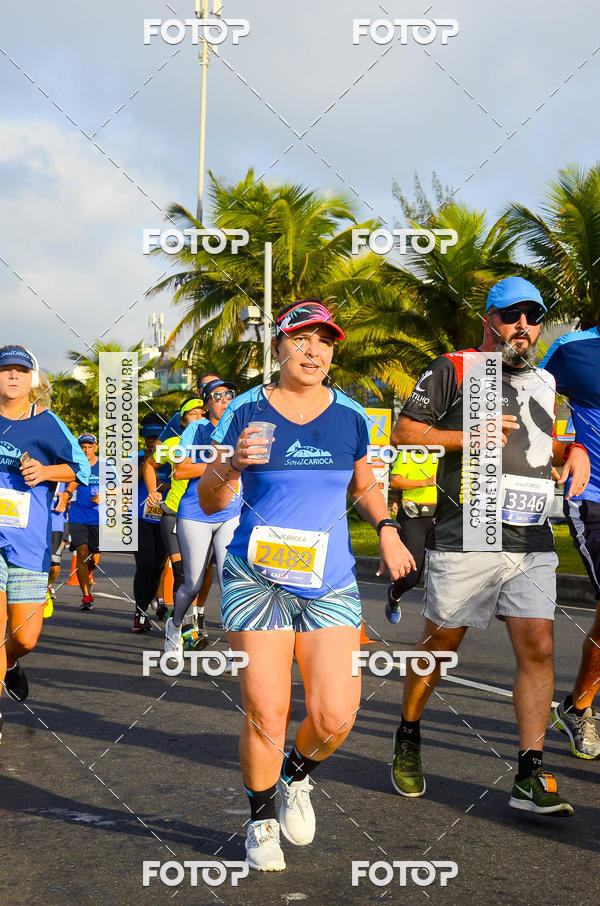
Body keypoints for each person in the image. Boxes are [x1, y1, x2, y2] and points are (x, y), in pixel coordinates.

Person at [197, 300, 415, 872]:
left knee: (337, 714)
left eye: (324, 341)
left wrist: (387, 530)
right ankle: (261, 819)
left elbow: (364, 484)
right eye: (301, 339)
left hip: (330, 577)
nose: (313, 350)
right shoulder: (243, 411)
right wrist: (231, 466)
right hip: (254, 575)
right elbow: (209, 499)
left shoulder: (349, 415)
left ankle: (296, 776)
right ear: (278, 347)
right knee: (268, 711)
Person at [389, 277, 590, 816]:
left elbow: (540, 445)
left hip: (530, 537)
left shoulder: (546, 380)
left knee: (540, 648)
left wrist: (572, 455)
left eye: (532, 316)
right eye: (511, 315)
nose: (522, 326)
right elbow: (404, 432)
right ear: (489, 319)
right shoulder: (454, 368)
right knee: (441, 647)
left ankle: (529, 773)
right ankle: (408, 731)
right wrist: (466, 437)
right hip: (466, 534)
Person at [0, 344, 90, 736]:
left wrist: (46, 469)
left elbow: (81, 469)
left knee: (26, 637)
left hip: (30, 540)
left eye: (21, 370)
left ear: (32, 379)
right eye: (6, 370)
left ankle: (12, 662)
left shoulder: (47, 421)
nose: (13, 376)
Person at [541, 323, 600, 758]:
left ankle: (578, 707)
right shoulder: (573, 349)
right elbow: (527, 404)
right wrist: (570, 446)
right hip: (594, 497)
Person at [164, 380, 241, 656]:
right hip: (196, 512)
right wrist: (222, 465)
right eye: (217, 396)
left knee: (229, 580)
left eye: (229, 395)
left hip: (231, 512)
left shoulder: (241, 426)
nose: (224, 399)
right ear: (206, 404)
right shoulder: (197, 429)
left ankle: (235, 648)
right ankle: (174, 626)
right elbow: (181, 471)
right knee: (192, 583)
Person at [143, 398, 206, 619]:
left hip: (204, 518)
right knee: (180, 571)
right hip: (174, 513)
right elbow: (149, 465)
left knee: (197, 574)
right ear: (182, 420)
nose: (198, 416)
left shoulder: (217, 446)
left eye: (202, 412)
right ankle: (179, 627)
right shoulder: (173, 445)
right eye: (192, 413)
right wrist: (153, 491)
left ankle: (195, 618)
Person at [385, 449, 438, 623]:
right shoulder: (411, 453)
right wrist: (426, 481)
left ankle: (439, 630)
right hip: (414, 516)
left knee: (444, 576)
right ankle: (394, 595)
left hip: (442, 517)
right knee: (411, 577)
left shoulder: (450, 453)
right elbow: (395, 481)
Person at [132, 414, 171, 632]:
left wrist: (164, 485)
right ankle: (139, 612)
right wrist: (147, 460)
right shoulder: (138, 457)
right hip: (141, 518)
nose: (151, 441)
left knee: (158, 568)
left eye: (155, 437)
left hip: (166, 517)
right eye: (147, 438)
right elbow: (128, 482)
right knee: (145, 566)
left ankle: (146, 609)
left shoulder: (172, 455)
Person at [66, 433, 101, 611]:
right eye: (83, 447)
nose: (86, 450)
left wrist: (106, 496)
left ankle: (89, 571)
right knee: (81, 552)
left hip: (98, 518)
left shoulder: (105, 466)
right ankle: (86, 596)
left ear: (95, 447)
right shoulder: (74, 465)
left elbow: (120, 488)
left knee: (94, 559)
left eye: (89, 446)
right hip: (77, 516)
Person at [159, 372, 220, 441]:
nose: (212, 389)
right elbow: (159, 445)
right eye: (206, 385)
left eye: (217, 386)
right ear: (198, 392)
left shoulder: (229, 417)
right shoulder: (179, 417)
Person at [45, 481, 69, 616]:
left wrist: (67, 493)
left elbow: (76, 478)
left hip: (56, 521)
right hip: (34, 519)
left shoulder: (63, 461)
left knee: (54, 568)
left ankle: (45, 587)